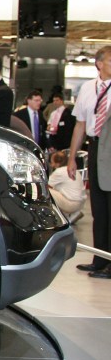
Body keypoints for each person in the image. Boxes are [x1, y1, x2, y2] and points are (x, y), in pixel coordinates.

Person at [67, 45, 111, 278]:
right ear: (100, 64)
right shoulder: (87, 88)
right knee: (98, 209)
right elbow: (80, 125)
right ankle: (99, 258)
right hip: (94, 148)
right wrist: (72, 157)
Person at [47, 149, 86, 222]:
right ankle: (72, 214)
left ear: (57, 163)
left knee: (47, 191)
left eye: (52, 162)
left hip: (71, 203)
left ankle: (65, 217)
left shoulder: (59, 171)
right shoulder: (73, 169)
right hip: (80, 203)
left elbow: (46, 185)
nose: (51, 165)